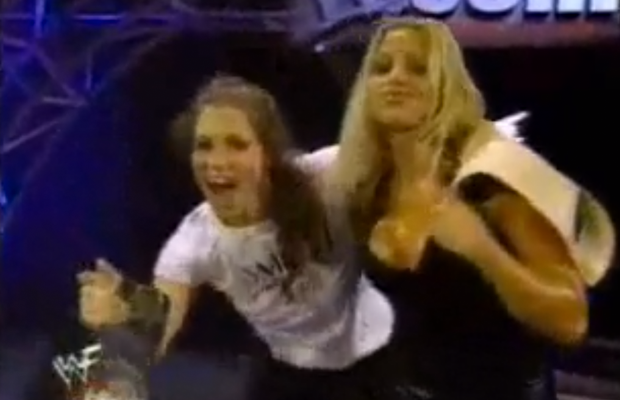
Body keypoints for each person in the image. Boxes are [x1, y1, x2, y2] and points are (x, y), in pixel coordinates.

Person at [78, 76, 431, 400]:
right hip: (293, 378)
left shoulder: (323, 176)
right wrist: (124, 314)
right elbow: (160, 324)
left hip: (375, 360)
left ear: (267, 154)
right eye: (204, 146)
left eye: (236, 144)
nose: (217, 161)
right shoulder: (193, 243)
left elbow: (420, 152)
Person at [319, 18, 616, 400]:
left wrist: (481, 249)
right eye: (382, 67)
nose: (396, 78)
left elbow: (570, 321)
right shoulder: (365, 190)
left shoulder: (491, 182)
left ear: (447, 86)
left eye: (418, 68)